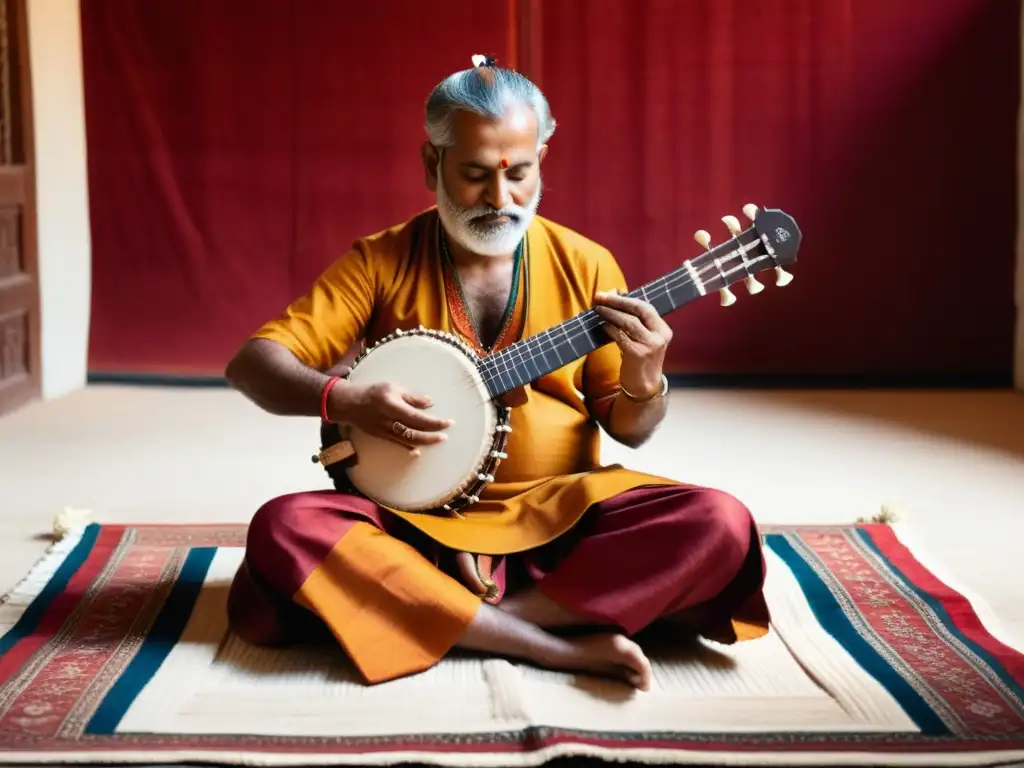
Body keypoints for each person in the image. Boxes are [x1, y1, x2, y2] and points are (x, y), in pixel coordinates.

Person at [224, 56, 770, 692]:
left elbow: (631, 429)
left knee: (720, 522)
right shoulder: (381, 261)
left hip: (561, 523)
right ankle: (553, 644)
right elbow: (255, 365)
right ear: (433, 166)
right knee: (285, 527)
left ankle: (450, 619)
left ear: (542, 156)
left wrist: (646, 376)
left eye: (520, 173)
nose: (501, 199)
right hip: (410, 529)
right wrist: (345, 400)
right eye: (475, 175)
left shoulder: (587, 264)